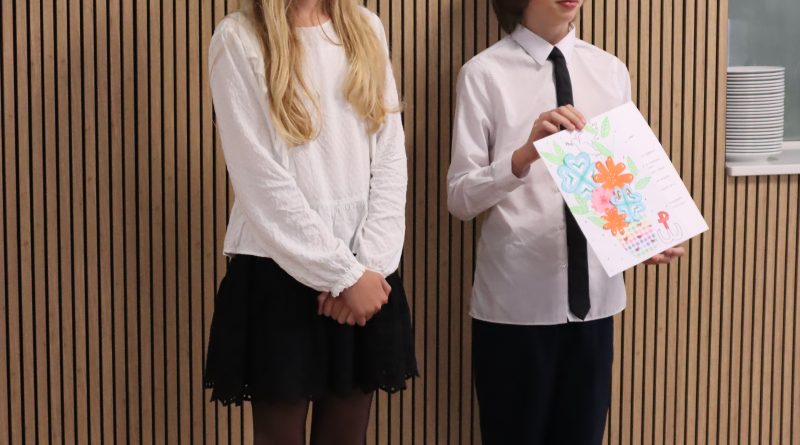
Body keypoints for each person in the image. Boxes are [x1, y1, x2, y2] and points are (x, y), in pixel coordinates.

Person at [447, 1, 684, 443]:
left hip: (596, 304)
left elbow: (619, 185)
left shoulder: (610, 71)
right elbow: (460, 198)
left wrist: (644, 236)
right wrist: (523, 156)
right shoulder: (484, 74)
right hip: (516, 308)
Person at [203, 0, 417, 443]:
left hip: (365, 270)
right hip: (278, 271)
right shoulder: (238, 38)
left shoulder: (365, 28)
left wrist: (368, 268)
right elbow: (260, 182)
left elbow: (390, 155)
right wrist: (341, 274)